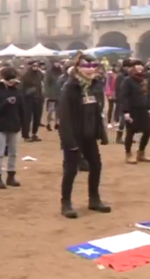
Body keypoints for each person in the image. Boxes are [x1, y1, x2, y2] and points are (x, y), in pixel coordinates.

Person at [58, 53, 111, 219]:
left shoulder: (93, 86)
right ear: (77, 68)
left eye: (93, 66)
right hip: (74, 136)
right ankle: (66, 203)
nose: (90, 70)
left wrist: (100, 133)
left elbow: (96, 112)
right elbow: (65, 118)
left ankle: (94, 199)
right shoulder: (70, 88)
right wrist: (69, 142)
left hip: (89, 135)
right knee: (71, 170)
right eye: (86, 66)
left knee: (96, 166)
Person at [0, 67, 25, 189]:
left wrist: (24, 125)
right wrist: (6, 103)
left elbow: (22, 109)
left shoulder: (17, 91)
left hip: (13, 125)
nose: (11, 81)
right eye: (8, 79)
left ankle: (11, 175)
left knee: (13, 152)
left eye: (13, 79)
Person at [121, 59, 150, 164]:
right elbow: (124, 97)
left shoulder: (144, 80)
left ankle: (141, 152)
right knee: (130, 132)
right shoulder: (127, 81)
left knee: (148, 131)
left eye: (140, 65)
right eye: (136, 65)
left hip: (143, 110)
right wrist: (126, 112)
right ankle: (128, 154)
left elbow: (148, 95)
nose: (139, 67)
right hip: (132, 110)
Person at [20, 61, 44, 142]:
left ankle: (34, 134)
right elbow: (21, 89)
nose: (35, 67)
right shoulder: (25, 76)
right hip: (28, 99)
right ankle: (26, 135)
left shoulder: (40, 74)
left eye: (37, 65)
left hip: (38, 98)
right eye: (34, 65)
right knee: (27, 118)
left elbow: (40, 86)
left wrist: (41, 96)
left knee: (37, 118)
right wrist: (29, 92)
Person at [44, 61, 64, 131]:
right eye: (56, 62)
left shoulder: (61, 72)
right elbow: (46, 83)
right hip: (51, 94)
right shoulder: (49, 72)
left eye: (58, 63)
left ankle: (57, 123)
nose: (57, 64)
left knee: (58, 110)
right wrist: (48, 94)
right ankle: (48, 123)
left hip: (59, 94)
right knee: (51, 110)